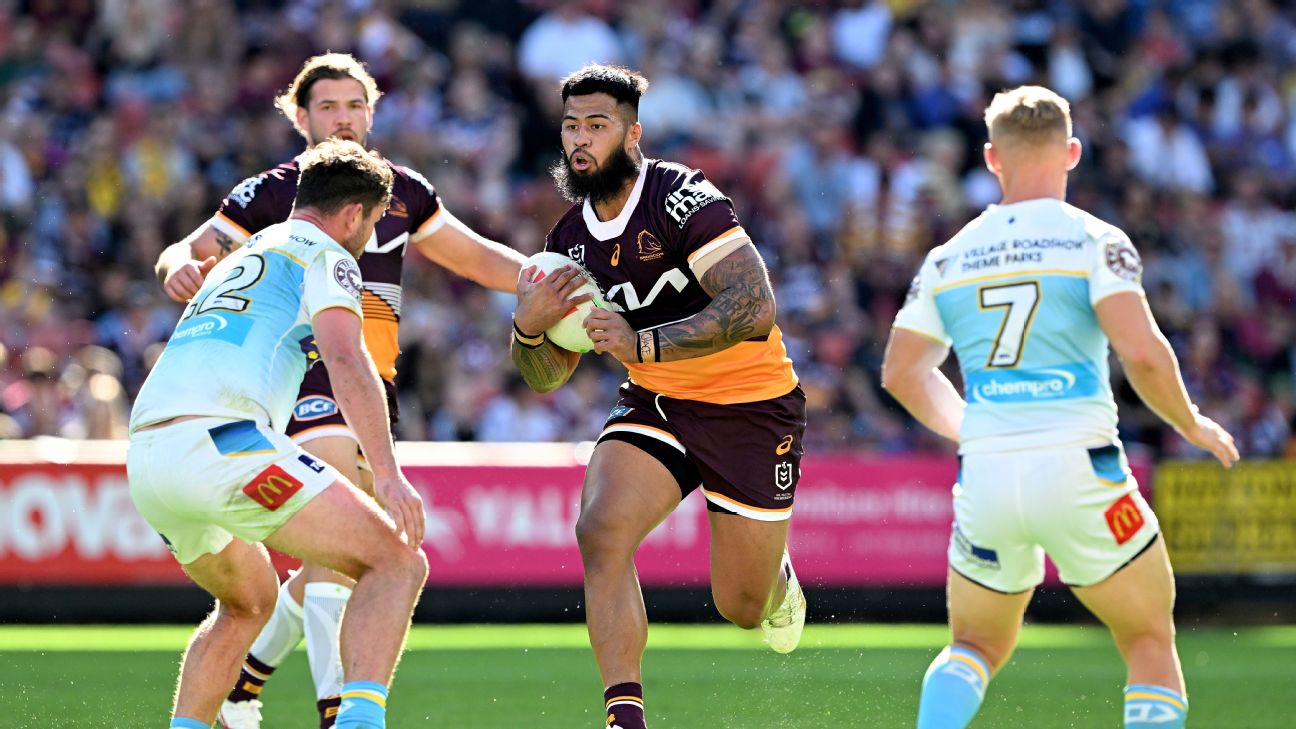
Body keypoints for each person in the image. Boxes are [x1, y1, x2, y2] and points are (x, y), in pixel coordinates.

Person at [153, 53, 524, 729]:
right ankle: (343, 714)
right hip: (308, 382)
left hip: (245, 417)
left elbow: (473, 256)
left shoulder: (402, 190)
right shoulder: (281, 201)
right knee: (380, 554)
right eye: (328, 106)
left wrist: (543, 280)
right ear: (301, 117)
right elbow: (193, 248)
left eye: (355, 105)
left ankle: (244, 681)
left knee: (290, 582)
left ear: (372, 113)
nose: (343, 118)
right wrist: (179, 262)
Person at [880, 85, 1239, 729]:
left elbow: (903, 374)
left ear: (992, 158)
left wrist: (978, 430)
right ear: (1072, 152)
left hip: (987, 475)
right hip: (1081, 467)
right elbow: (1145, 354)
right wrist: (1191, 423)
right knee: (1149, 639)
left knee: (973, 646)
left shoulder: (949, 255)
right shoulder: (1093, 240)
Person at [510, 64, 808, 729]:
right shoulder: (566, 241)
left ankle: (776, 578)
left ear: (632, 133)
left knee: (742, 605)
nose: (580, 139)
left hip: (751, 404)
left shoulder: (680, 196)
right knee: (600, 528)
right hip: (658, 402)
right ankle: (625, 716)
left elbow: (755, 306)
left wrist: (642, 342)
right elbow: (544, 373)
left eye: (597, 125)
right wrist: (529, 327)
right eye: (570, 127)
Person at [128, 138, 428, 729]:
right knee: (397, 562)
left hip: (148, 458)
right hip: (224, 442)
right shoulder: (328, 254)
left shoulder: (245, 251)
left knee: (249, 604)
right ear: (353, 214)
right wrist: (388, 477)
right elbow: (347, 361)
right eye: (371, 224)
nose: (367, 239)